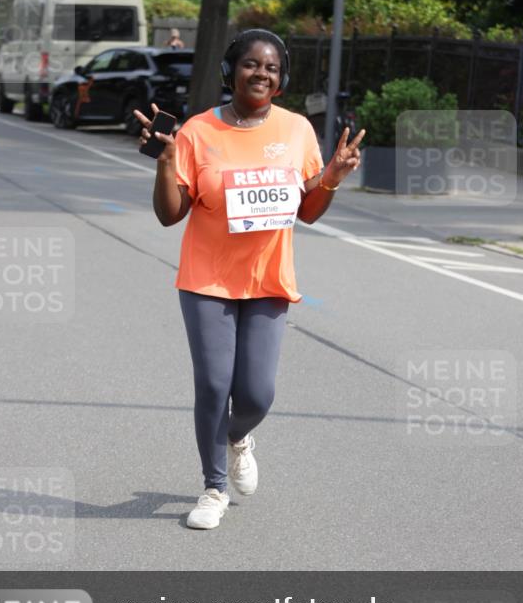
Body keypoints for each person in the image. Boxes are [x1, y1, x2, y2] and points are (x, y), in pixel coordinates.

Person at [134, 28, 365, 530]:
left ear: (281, 81)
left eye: (272, 68)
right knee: (215, 385)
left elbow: (307, 210)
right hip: (207, 280)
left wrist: (331, 178)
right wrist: (167, 162)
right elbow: (169, 215)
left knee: (257, 394)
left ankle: (238, 438)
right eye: (251, 65)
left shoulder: (297, 130)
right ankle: (213, 488)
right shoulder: (197, 131)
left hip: (267, 280)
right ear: (230, 71)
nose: (261, 74)